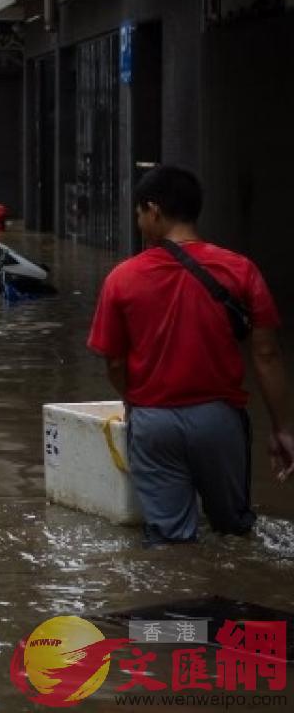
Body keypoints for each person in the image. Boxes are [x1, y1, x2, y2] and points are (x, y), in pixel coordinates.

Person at [87, 165, 294, 545]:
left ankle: (174, 602)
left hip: (153, 422)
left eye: (138, 215)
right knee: (233, 531)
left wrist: (137, 401)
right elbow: (266, 354)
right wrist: (282, 428)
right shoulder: (241, 270)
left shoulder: (122, 278)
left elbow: (114, 362)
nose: (139, 223)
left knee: (168, 542)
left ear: (153, 210)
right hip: (220, 421)